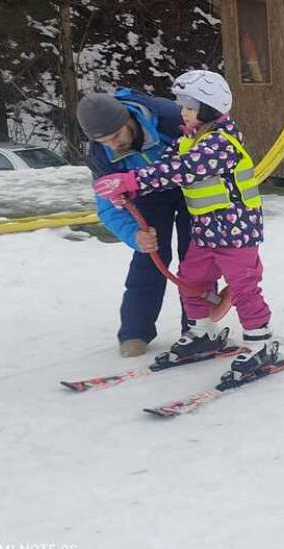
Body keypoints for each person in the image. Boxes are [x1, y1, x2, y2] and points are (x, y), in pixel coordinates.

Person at [92, 70, 277, 379]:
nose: (183, 113)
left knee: (243, 287)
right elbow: (164, 166)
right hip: (205, 231)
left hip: (236, 232)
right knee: (192, 279)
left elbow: (181, 170)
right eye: (183, 107)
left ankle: (261, 342)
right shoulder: (190, 138)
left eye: (190, 108)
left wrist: (132, 180)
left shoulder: (220, 143)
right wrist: (128, 191)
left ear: (209, 108)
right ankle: (202, 332)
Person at [77, 90, 189, 357]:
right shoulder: (101, 155)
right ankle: (135, 332)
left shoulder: (169, 118)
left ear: (127, 119)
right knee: (149, 257)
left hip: (191, 187)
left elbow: (212, 148)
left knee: (196, 256)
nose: (113, 144)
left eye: (116, 135)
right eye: (104, 140)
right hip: (147, 195)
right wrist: (134, 235)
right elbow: (107, 205)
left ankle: (198, 326)